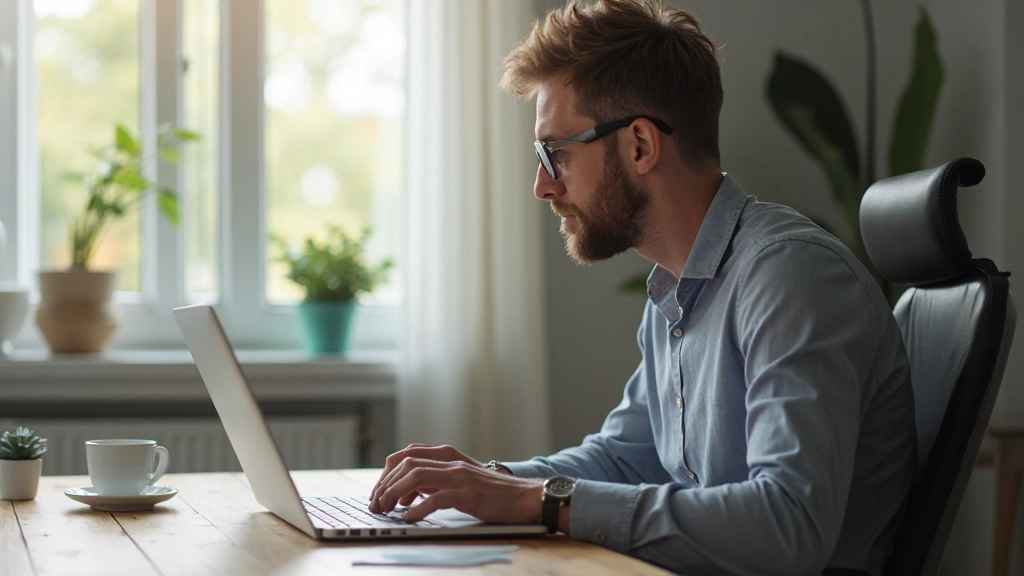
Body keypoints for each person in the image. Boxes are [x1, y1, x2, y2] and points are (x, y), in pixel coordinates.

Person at [369, 1, 916, 574]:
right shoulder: (674, 292)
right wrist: (488, 482)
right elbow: (626, 458)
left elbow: (789, 525)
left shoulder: (789, 275)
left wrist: (541, 502)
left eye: (555, 153)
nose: (542, 187)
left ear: (640, 145)